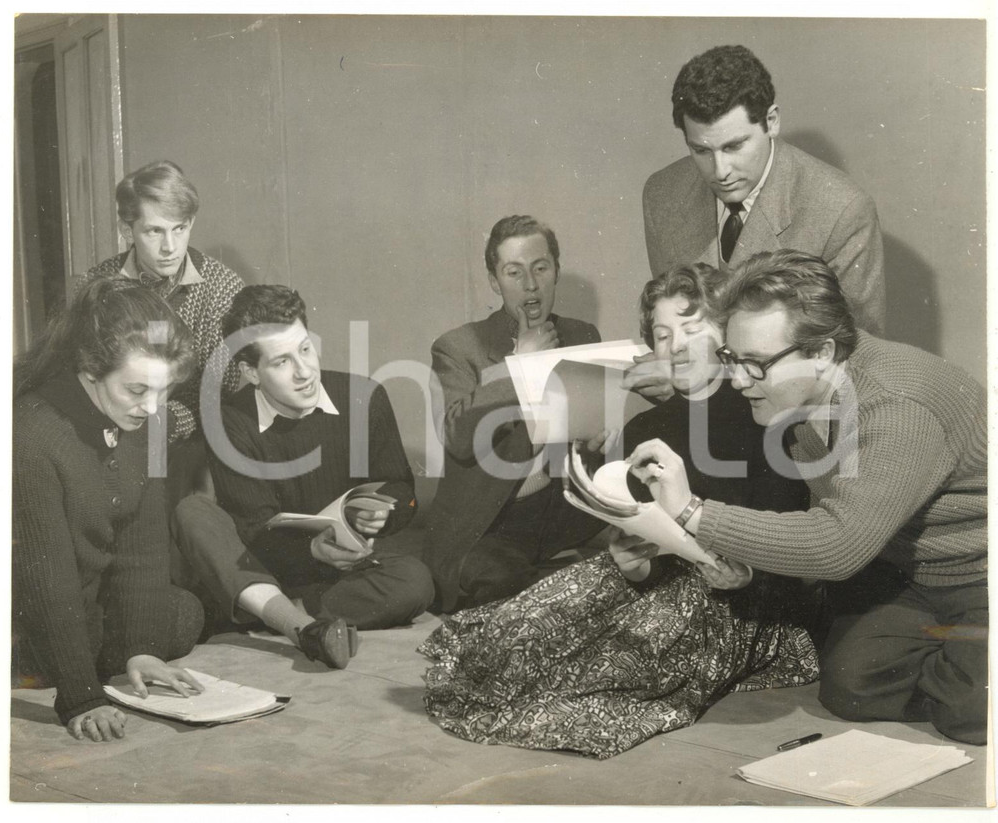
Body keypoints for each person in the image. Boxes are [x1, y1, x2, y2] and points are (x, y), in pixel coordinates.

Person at [419, 263, 818, 759]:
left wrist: (744, 571)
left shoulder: (762, 412)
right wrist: (632, 556)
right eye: (662, 333)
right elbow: (637, 527)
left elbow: (791, 528)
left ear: (725, 334)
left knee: (595, 674)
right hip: (661, 579)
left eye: (693, 329)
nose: (676, 346)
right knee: (513, 636)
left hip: (741, 601)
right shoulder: (649, 424)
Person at [630, 249, 987, 745]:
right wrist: (744, 561)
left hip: (982, 571)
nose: (737, 380)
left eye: (756, 364)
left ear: (820, 351)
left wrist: (693, 511)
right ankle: (966, 661)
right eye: (733, 359)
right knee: (849, 688)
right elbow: (823, 517)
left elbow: (838, 546)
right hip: (911, 573)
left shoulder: (896, 402)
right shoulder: (805, 395)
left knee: (972, 713)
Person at [172, 285, 434, 670]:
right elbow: (251, 531)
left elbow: (402, 491)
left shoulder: (363, 395)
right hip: (267, 565)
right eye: (281, 363)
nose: (305, 372)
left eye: (306, 349)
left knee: (414, 581)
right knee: (192, 513)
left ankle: (272, 615)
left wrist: (385, 512)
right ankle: (294, 622)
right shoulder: (230, 421)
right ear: (251, 373)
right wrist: (312, 550)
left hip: (341, 571)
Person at [13, 278, 205, 743]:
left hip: (89, 601)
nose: (152, 407)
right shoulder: (31, 435)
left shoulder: (142, 420)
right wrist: (81, 695)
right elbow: (47, 579)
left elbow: (143, 547)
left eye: (163, 391)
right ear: (91, 367)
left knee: (184, 612)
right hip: (28, 607)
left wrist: (142, 651)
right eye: (137, 389)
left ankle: (96, 654)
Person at [423, 215, 607, 613]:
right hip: (488, 521)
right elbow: (456, 435)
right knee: (508, 588)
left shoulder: (582, 335)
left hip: (561, 511)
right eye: (513, 272)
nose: (530, 285)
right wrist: (517, 366)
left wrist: (597, 438)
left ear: (556, 270)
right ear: (494, 281)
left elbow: (587, 432)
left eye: (540, 268)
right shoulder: (458, 347)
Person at [642, 45, 885, 339]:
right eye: (701, 150)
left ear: (771, 122)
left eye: (734, 146)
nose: (720, 171)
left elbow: (858, 351)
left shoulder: (843, 210)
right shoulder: (662, 194)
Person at [83, 160, 245, 446]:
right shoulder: (96, 285)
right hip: (108, 433)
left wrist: (158, 426)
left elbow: (217, 392)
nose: (170, 247)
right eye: (154, 231)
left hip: (191, 443)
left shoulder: (223, 288)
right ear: (126, 229)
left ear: (191, 222)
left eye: (179, 228)